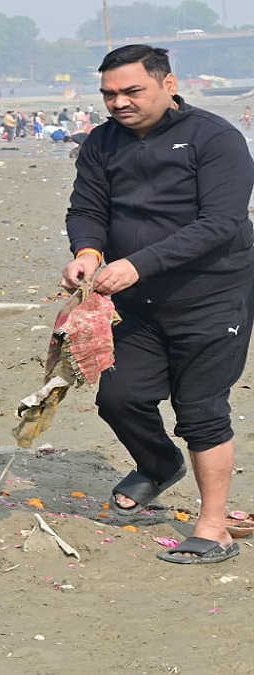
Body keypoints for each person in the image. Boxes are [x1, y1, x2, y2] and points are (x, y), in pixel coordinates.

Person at [62, 45, 254, 565]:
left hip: (211, 296)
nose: (118, 102)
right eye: (109, 94)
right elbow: (87, 207)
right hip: (135, 302)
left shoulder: (216, 139)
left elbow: (220, 223)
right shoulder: (101, 142)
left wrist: (139, 262)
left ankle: (213, 527)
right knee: (118, 398)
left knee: (201, 411)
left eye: (131, 91)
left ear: (167, 84)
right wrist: (88, 251)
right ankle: (157, 463)